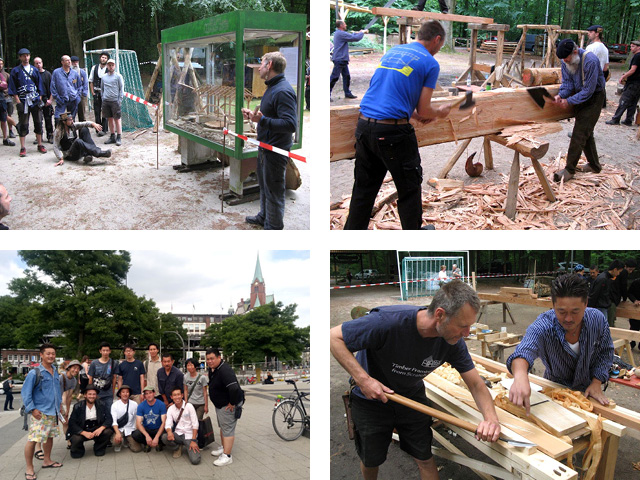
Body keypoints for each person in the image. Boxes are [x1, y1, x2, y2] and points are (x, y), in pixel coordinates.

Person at [330, 280, 500, 479]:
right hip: (371, 401)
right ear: (440, 315)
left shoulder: (453, 343)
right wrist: (364, 380)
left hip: (411, 398)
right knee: (372, 459)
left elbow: (476, 384)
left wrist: (491, 420)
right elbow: (333, 337)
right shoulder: (387, 322)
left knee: (424, 457)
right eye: (463, 326)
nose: (467, 333)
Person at [343, 20, 452, 230]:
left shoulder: (394, 52)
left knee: (363, 190)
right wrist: (440, 112)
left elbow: (389, 92)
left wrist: (412, 114)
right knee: (409, 188)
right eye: (440, 45)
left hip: (365, 127)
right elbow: (425, 110)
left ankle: (351, 237)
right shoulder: (430, 63)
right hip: (393, 134)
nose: (439, 49)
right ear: (437, 39)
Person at [507, 273, 614, 412]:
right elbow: (524, 351)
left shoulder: (597, 320)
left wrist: (596, 382)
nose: (568, 318)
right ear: (553, 305)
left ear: (586, 304)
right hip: (554, 391)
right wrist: (520, 377)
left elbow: (605, 353)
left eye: (575, 311)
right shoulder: (543, 326)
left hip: (589, 391)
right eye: (561, 311)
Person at [241, 52, 297, 230]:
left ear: (270, 65)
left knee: (274, 190)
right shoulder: (272, 87)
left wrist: (262, 121)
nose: (259, 67)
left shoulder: (283, 91)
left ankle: (273, 227)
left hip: (275, 150)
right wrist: (254, 117)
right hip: (265, 147)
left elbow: (290, 124)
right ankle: (264, 216)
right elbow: (268, 116)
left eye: (261, 62)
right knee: (265, 186)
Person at [552, 39, 606, 183]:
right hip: (580, 95)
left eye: (567, 58)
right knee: (586, 132)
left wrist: (568, 101)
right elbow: (568, 83)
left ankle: (569, 170)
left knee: (579, 133)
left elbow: (589, 90)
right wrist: (561, 95)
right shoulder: (566, 61)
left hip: (594, 98)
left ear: (575, 51)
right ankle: (595, 165)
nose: (565, 61)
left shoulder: (590, 61)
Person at [22, 343, 63, 479]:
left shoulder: (55, 370)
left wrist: (60, 406)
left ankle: (47, 460)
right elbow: (25, 393)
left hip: (53, 411)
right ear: (41, 355)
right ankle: (29, 468)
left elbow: (57, 391)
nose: (51, 356)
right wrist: (32, 409)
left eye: (53, 353)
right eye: (48, 353)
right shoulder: (35, 372)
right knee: (34, 440)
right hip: (40, 413)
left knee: (49, 437)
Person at [206, 348, 244, 467]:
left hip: (227, 405)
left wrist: (232, 403)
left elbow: (234, 388)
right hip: (220, 404)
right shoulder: (213, 369)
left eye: (212, 358)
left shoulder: (225, 370)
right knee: (223, 426)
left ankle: (227, 456)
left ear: (219, 357)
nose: (209, 361)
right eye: (207, 359)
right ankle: (224, 448)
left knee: (227, 429)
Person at [8, 48, 47, 158]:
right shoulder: (15, 71)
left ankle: (40, 144)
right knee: (23, 123)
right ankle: (23, 147)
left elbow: (39, 85)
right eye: (23, 56)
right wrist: (18, 101)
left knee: (38, 122)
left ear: (30, 56)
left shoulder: (34, 70)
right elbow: (13, 87)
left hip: (34, 100)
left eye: (27, 55)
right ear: (20, 57)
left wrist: (39, 98)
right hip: (23, 100)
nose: (26, 58)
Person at [66, 385, 113, 458]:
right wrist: (83, 432)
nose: (92, 396)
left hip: (96, 428)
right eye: (90, 394)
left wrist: (101, 428)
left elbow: (109, 418)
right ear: (85, 395)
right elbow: (72, 423)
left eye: (94, 394)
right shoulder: (78, 406)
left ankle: (99, 447)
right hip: (83, 428)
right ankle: (78, 450)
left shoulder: (102, 404)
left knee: (108, 431)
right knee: (76, 439)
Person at [161, 387, 201, 464]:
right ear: (171, 397)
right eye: (174, 395)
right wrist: (169, 432)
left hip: (189, 436)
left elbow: (195, 424)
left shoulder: (189, 406)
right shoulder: (171, 409)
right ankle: (177, 447)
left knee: (195, 460)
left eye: (178, 394)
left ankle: (192, 444)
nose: (177, 397)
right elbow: (168, 424)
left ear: (182, 395)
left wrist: (193, 440)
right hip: (178, 434)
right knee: (164, 437)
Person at [330, 21, 368, 100]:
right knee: (334, 77)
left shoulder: (340, 33)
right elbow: (355, 38)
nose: (346, 25)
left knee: (346, 76)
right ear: (341, 25)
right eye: (345, 24)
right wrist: (362, 32)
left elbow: (351, 35)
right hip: (339, 59)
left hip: (342, 59)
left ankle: (347, 93)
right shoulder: (340, 33)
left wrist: (359, 32)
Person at [606, 40, 640, 126]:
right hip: (638, 83)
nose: (631, 48)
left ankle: (616, 119)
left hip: (633, 83)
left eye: (633, 46)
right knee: (633, 102)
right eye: (631, 46)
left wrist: (624, 76)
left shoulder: (637, 56)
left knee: (624, 100)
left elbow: (633, 69)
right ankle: (628, 120)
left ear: (638, 47)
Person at [131, 385, 167, 452]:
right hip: (147, 429)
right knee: (135, 434)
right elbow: (138, 423)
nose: (148, 395)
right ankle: (146, 443)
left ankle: (158, 442)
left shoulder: (161, 404)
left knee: (165, 435)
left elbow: (164, 422)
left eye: (150, 393)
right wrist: (147, 436)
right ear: (144, 396)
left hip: (158, 429)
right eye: (146, 394)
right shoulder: (141, 406)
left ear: (154, 393)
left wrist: (156, 437)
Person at [588, 260, 623, 325]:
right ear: (615, 269)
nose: (618, 274)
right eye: (619, 271)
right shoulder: (603, 279)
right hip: (600, 308)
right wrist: (590, 309)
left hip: (603, 307)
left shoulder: (606, 278)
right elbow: (594, 294)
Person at [87, 341, 118, 413]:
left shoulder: (114, 363)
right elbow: (90, 378)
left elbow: (114, 378)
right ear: (100, 351)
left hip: (108, 394)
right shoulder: (94, 363)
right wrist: (90, 392)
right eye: (103, 350)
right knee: (96, 413)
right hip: (96, 393)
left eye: (107, 350)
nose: (105, 352)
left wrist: (113, 392)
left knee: (108, 413)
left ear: (110, 351)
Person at [584, 25, 610, 109]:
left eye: (591, 32)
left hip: (590, 76)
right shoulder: (605, 48)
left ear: (597, 34)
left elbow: (585, 63)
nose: (588, 34)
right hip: (599, 77)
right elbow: (606, 67)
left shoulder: (591, 47)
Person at [110, 384, 141, 452]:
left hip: (130, 428)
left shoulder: (134, 404)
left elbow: (137, 418)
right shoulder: (115, 405)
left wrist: (137, 428)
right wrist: (117, 433)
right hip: (119, 428)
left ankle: (127, 440)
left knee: (137, 449)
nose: (125, 394)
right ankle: (119, 443)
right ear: (120, 394)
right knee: (115, 441)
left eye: (127, 392)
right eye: (123, 392)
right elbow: (114, 421)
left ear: (129, 394)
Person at [50, 55, 81, 122]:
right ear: (62, 62)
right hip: (61, 100)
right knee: (58, 118)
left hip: (73, 99)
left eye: (69, 60)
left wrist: (77, 97)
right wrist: (57, 98)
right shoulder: (56, 73)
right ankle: (60, 132)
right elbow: (53, 87)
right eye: (67, 60)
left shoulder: (74, 73)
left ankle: (72, 132)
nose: (69, 62)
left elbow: (79, 86)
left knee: (71, 119)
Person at [101, 58, 124, 146]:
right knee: (109, 119)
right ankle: (112, 136)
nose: (110, 67)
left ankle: (119, 136)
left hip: (115, 101)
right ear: (107, 66)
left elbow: (121, 89)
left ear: (114, 66)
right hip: (106, 101)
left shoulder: (118, 76)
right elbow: (102, 89)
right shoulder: (104, 77)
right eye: (109, 65)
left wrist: (120, 100)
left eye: (112, 65)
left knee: (117, 119)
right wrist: (103, 98)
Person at [60, 360, 82, 444]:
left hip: (61, 405)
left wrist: (68, 410)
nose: (76, 370)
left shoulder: (74, 380)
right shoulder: (61, 377)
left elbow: (69, 396)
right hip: (53, 404)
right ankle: (38, 447)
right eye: (74, 368)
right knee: (47, 426)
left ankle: (69, 441)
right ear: (69, 368)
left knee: (65, 422)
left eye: (78, 369)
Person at [32, 57, 53, 143]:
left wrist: (50, 100)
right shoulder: (32, 75)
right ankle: (38, 137)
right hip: (36, 100)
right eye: (36, 63)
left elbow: (52, 88)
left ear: (42, 63)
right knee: (37, 120)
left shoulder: (48, 74)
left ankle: (50, 136)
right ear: (34, 65)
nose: (38, 65)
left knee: (48, 119)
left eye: (40, 63)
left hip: (47, 100)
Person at [89, 51, 110, 137]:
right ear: (100, 58)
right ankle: (98, 128)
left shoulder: (109, 69)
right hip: (96, 93)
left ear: (107, 59)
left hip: (105, 94)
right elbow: (91, 81)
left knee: (105, 111)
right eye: (102, 57)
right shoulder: (94, 67)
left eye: (105, 58)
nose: (103, 59)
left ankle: (104, 129)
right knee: (97, 111)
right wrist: (92, 92)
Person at [0, 58, 16, 147]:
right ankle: (16, 126)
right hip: (3, 98)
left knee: (4, 118)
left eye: (1, 64)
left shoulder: (5, 75)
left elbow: (5, 85)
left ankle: (6, 138)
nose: (0, 65)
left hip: (3, 99)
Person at [70, 56, 88, 122]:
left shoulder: (82, 72)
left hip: (80, 95)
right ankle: (72, 130)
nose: (75, 64)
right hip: (71, 95)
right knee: (71, 115)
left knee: (82, 114)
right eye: (73, 62)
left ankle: (83, 130)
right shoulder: (68, 72)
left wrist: (84, 93)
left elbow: (85, 82)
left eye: (76, 62)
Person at [626, 277, 640, 349]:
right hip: (635, 308)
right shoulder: (636, 282)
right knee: (634, 326)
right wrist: (634, 300)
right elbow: (629, 293)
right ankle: (632, 343)